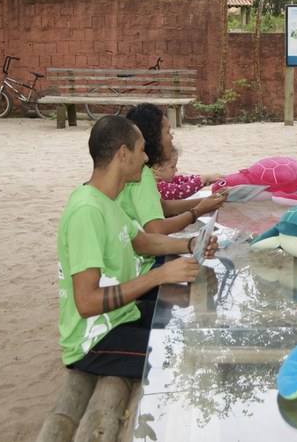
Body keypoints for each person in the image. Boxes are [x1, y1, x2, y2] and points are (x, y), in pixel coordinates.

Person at [56, 115, 216, 378]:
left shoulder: (107, 200)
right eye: (141, 151)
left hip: (121, 315)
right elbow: (86, 302)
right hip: (96, 340)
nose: (145, 159)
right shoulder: (87, 211)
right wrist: (160, 275)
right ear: (123, 154)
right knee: (189, 352)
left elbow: (144, 242)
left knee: (193, 318)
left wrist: (190, 244)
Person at [117, 104, 227, 236]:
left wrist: (207, 202)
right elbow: (157, 229)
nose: (171, 137)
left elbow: (163, 206)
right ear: (154, 138)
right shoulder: (142, 177)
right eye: (168, 132)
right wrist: (197, 211)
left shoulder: (140, 171)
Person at [153, 146, 225, 200]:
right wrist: (203, 179)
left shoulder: (163, 180)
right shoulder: (159, 186)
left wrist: (207, 178)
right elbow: (182, 191)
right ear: (158, 167)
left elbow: (184, 180)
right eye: (172, 167)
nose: (176, 170)